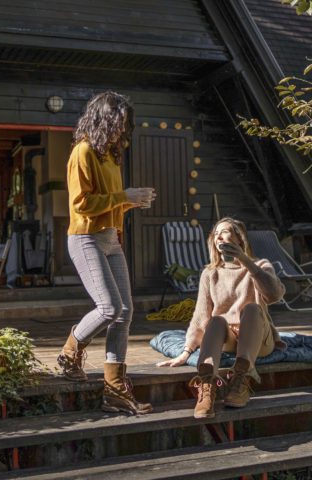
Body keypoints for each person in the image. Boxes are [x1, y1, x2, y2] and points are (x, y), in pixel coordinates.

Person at [57, 91, 156, 415]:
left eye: (125, 124)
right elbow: (81, 205)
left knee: (125, 311)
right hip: (85, 238)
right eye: (118, 122)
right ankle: (70, 351)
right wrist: (122, 195)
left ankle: (114, 389)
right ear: (104, 119)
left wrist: (132, 200)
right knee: (110, 306)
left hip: (110, 239)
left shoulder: (110, 157)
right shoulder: (82, 152)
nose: (122, 129)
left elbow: (111, 203)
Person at [157, 217, 286, 419]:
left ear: (239, 238)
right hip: (228, 338)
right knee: (216, 320)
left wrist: (246, 262)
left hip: (258, 338)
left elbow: (275, 295)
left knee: (251, 308)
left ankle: (241, 379)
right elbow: (201, 315)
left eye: (224, 231)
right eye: (215, 234)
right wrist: (186, 350)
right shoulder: (210, 273)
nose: (219, 236)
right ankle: (207, 385)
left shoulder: (260, 265)